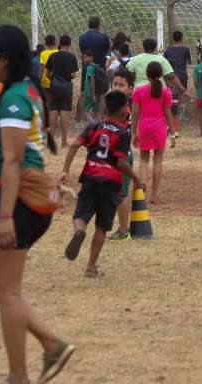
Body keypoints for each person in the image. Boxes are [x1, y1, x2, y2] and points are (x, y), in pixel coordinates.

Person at [0, 25, 73, 384]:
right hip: (16, 198)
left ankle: (18, 376)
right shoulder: (22, 92)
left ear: (5, 59)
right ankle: (51, 343)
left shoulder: (16, 98)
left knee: (7, 291)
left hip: (14, 201)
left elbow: (13, 161)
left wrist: (4, 217)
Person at [60, 90, 142, 278]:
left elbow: (74, 145)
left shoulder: (94, 127)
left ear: (105, 107)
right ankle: (91, 267)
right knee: (101, 227)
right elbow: (121, 163)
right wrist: (137, 179)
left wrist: (65, 169)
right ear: (124, 110)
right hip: (111, 182)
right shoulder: (123, 134)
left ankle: (79, 231)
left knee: (80, 214)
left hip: (90, 176)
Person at [131, 61, 174, 204]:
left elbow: (135, 114)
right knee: (158, 160)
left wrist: (133, 132)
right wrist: (172, 133)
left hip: (144, 127)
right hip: (159, 127)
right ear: (161, 74)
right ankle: (154, 194)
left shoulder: (138, 91)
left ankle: (142, 184)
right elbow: (168, 114)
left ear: (147, 74)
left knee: (144, 159)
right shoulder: (166, 92)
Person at [104, 69, 137, 241]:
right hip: (113, 153)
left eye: (121, 85)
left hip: (122, 155)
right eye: (115, 84)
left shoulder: (124, 107)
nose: (116, 87)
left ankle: (124, 229)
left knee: (121, 193)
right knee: (116, 191)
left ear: (130, 88)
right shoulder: (114, 104)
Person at [45, 35, 80, 146]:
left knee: (53, 110)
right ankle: (64, 142)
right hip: (66, 86)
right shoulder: (72, 57)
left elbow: (47, 73)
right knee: (64, 111)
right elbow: (73, 75)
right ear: (69, 44)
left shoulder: (53, 56)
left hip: (54, 85)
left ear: (59, 43)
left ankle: (50, 141)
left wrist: (53, 79)